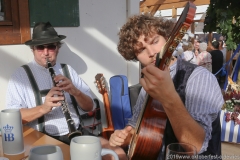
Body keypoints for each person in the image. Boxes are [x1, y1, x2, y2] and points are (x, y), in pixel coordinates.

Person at [6, 22, 127, 160]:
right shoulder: (20, 75)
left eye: (51, 47)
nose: (46, 53)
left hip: (77, 133)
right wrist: (44, 108)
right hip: (42, 138)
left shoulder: (67, 70)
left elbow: (89, 107)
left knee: (118, 154)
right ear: (33, 49)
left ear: (57, 48)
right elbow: (13, 118)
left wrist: (76, 92)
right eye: (40, 47)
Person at [109, 14, 223, 160]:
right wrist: (124, 136)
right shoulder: (149, 82)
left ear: (168, 38)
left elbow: (196, 146)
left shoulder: (198, 77)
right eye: (141, 50)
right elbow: (134, 126)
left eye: (155, 41)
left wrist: (168, 97)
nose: (151, 53)